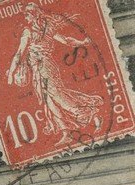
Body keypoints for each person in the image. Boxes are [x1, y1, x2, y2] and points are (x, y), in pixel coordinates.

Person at [6, 3, 104, 146]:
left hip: (44, 66)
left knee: (57, 95)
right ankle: (66, 132)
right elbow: (66, 40)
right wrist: (82, 41)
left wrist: (11, 74)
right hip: (38, 68)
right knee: (48, 100)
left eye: (27, 15)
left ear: (33, 15)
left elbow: (19, 53)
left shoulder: (31, 31)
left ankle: (89, 113)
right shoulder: (45, 29)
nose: (26, 18)